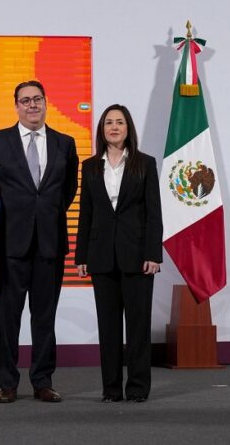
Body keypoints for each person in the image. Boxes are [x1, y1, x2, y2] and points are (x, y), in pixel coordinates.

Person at [0, 80, 78, 403]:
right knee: (8, 317)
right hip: (9, 244)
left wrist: (43, 216)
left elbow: (67, 191)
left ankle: (42, 380)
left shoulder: (65, 143)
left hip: (50, 242)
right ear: (16, 106)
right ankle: (7, 383)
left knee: (45, 317)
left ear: (46, 103)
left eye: (37, 99)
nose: (32, 105)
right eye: (25, 100)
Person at [75, 104, 162, 403]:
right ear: (102, 129)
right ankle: (111, 389)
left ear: (128, 128)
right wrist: (81, 256)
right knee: (108, 328)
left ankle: (137, 388)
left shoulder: (145, 163)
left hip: (138, 256)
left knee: (138, 326)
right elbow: (86, 213)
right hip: (101, 256)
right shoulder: (89, 166)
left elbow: (154, 213)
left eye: (120, 122)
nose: (114, 127)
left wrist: (153, 254)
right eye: (109, 122)